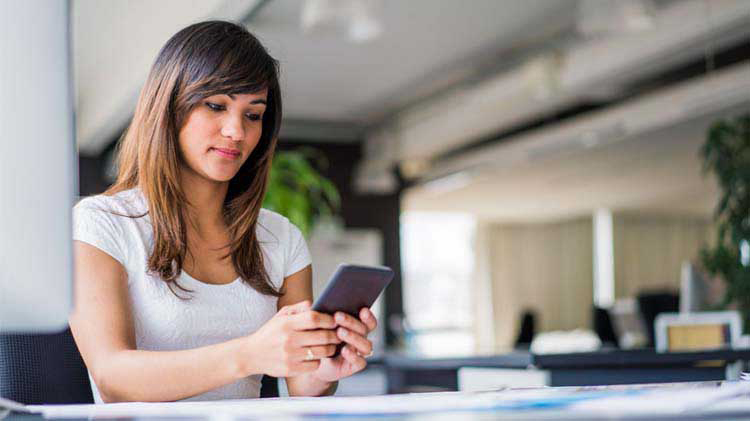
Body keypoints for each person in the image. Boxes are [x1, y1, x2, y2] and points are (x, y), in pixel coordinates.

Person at [69, 20, 377, 403]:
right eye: (216, 106)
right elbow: (113, 376)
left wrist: (325, 369)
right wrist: (248, 354)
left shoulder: (281, 239)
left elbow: (303, 386)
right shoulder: (101, 223)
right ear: (169, 107)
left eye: (253, 115)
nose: (236, 131)